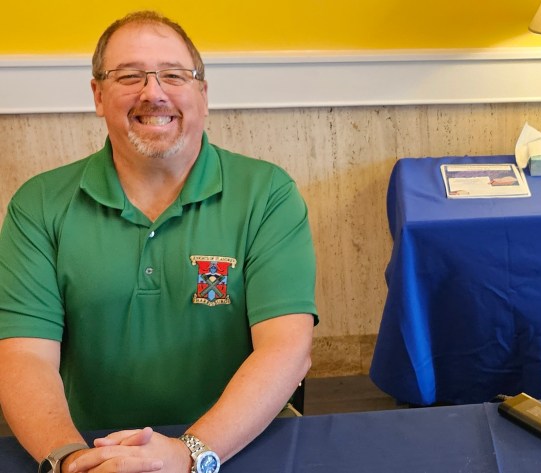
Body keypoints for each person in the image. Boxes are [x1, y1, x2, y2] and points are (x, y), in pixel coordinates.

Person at [0, 11, 317, 473]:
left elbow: (287, 347)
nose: (153, 92)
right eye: (129, 76)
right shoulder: (39, 203)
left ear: (203, 94)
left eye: (174, 75)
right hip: (90, 445)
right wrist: (72, 459)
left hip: (238, 445)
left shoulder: (268, 193)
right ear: (98, 95)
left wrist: (191, 453)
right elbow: (24, 355)